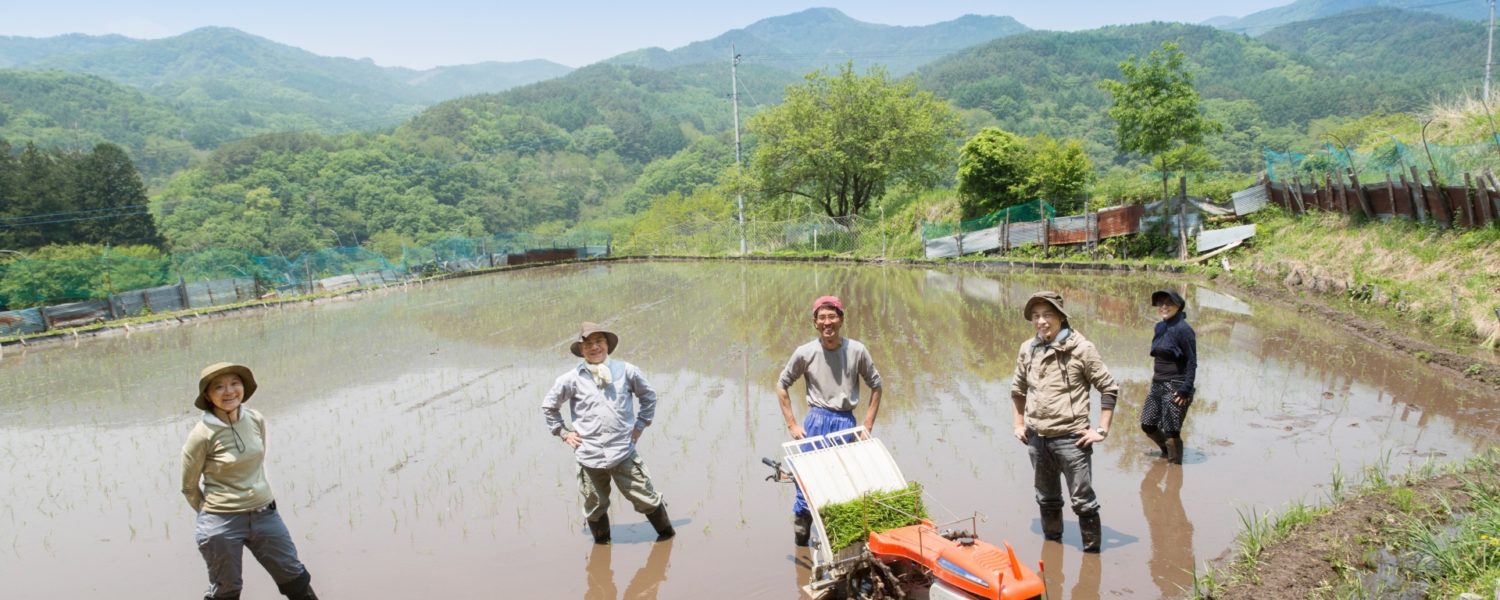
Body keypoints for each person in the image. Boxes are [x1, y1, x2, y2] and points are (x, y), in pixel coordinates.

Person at [180, 362, 319, 600]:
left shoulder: (255, 419)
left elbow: (257, 460)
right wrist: (213, 513)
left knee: (295, 578)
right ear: (207, 395)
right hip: (222, 523)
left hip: (265, 514)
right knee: (227, 591)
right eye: (219, 387)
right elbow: (189, 486)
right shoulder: (201, 434)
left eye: (235, 383)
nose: (229, 391)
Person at [543, 322, 674, 545]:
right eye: (589, 344)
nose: (594, 347)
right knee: (595, 505)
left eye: (599, 342)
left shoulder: (626, 371)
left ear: (607, 345)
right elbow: (549, 406)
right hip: (589, 456)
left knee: (647, 498)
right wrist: (563, 433)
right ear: (581, 350)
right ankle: (602, 548)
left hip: (623, 452)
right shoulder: (572, 379)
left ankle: (668, 539)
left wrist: (640, 426)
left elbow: (648, 396)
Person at [1010, 291, 1119, 553]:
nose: (1041, 321)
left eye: (1047, 315)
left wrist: (1101, 429)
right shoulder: (1029, 349)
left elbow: (1109, 388)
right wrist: (1018, 424)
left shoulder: (1081, 348)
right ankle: (1052, 551)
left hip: (1072, 439)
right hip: (1037, 438)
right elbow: (1018, 389)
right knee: (1046, 498)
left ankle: (1092, 555)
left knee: (1083, 502)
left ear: (1060, 317)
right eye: (1035, 316)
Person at [776, 295, 884, 546]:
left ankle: (839, 544)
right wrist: (792, 424)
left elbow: (877, 385)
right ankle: (802, 540)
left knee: (844, 485)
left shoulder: (857, 350)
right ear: (815, 323)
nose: (828, 322)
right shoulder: (805, 353)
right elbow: (782, 385)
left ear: (841, 319)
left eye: (832, 316)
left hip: (846, 423)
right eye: (822, 317)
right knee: (806, 485)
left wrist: (866, 426)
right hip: (815, 421)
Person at [1141, 289, 1197, 465]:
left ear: (1178, 306)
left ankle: (1174, 469)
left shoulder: (1183, 329)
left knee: (1172, 429)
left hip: (1176, 385)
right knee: (1147, 424)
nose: (1164, 307)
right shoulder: (1160, 326)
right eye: (1161, 303)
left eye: (1169, 303)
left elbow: (1191, 362)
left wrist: (1186, 389)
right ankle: (1166, 450)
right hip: (1157, 383)